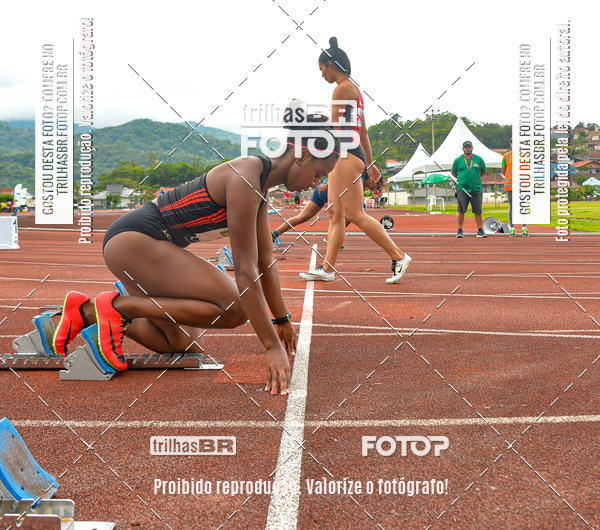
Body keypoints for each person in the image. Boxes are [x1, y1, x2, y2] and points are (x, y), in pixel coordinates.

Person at [52, 116, 339, 395]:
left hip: (151, 249)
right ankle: (119, 307)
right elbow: (245, 270)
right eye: (318, 173)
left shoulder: (260, 188)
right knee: (235, 308)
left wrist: (281, 319)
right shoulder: (245, 177)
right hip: (134, 241)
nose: (315, 184)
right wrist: (270, 346)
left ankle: (86, 311)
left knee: (180, 343)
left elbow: (265, 260)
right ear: (302, 154)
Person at [300, 37, 411, 284]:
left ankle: (398, 256)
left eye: (321, 70)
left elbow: (332, 128)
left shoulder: (342, 88)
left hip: (346, 155)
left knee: (354, 213)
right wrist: (370, 165)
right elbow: (363, 133)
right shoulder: (354, 91)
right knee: (336, 215)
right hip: (352, 154)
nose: (321, 76)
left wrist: (312, 154)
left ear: (330, 64)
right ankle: (327, 268)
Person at [452, 140, 487, 238]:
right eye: (466, 147)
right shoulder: (458, 160)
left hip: (476, 189)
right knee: (461, 210)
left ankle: (480, 230)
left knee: (478, 211)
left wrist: (475, 179)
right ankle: (459, 230)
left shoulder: (478, 159)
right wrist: (462, 179)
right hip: (462, 189)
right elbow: (454, 173)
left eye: (469, 147)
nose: (468, 148)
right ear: (462, 148)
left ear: (472, 148)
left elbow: (483, 172)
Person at [502, 140, 528, 237]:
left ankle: (524, 228)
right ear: (511, 144)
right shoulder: (506, 156)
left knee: (523, 206)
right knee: (512, 206)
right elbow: (504, 170)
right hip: (510, 184)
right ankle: (512, 228)